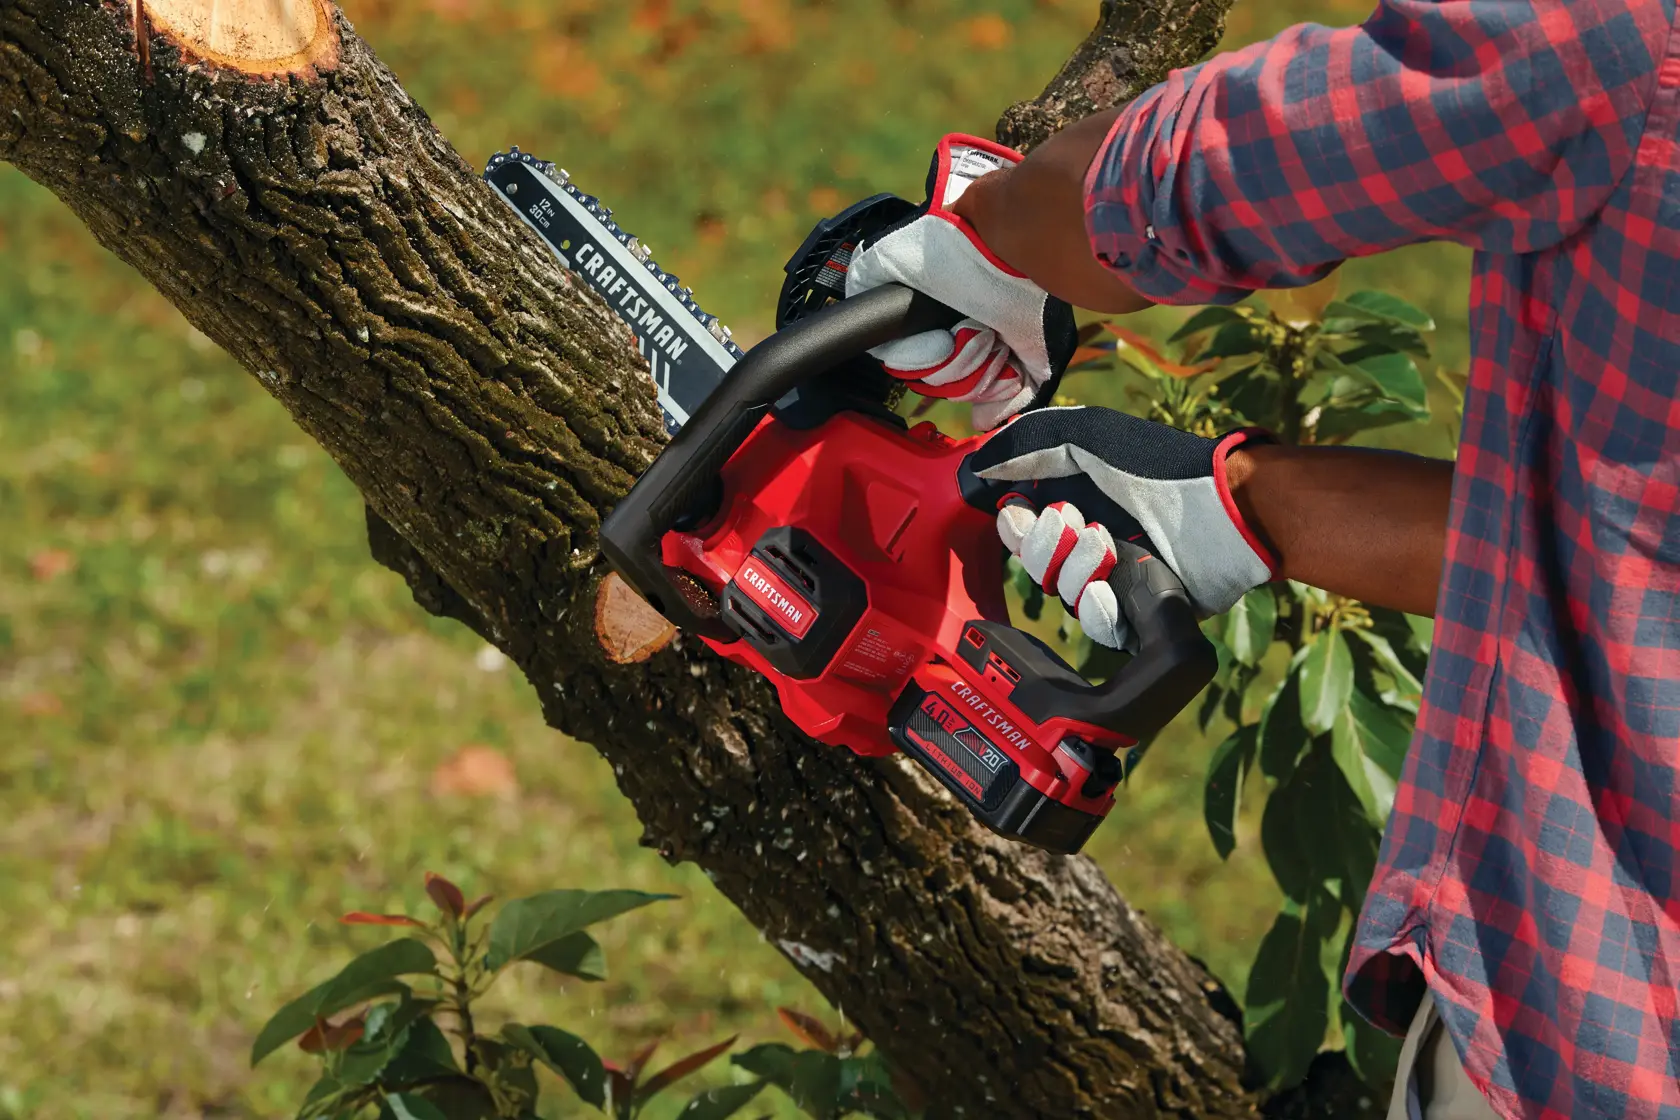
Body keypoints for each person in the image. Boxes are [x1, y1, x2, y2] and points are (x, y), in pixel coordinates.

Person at [843, 0, 1680, 1117]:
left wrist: (985, 229)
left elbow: (1253, 157)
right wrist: (1244, 504)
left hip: (1585, 1031)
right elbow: (1629, 550)